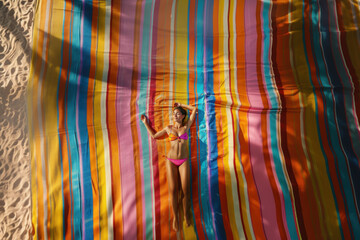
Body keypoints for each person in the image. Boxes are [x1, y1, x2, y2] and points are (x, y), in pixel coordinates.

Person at [141, 102, 197, 231]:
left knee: (185, 190)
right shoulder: (168, 128)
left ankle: (186, 214)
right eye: (173, 114)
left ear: (183, 116)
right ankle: (176, 218)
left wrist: (182, 104)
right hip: (171, 161)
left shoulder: (186, 127)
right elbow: (155, 136)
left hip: (183, 161)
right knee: (173, 191)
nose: (175, 115)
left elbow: (194, 109)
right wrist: (145, 123)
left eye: (177, 113)